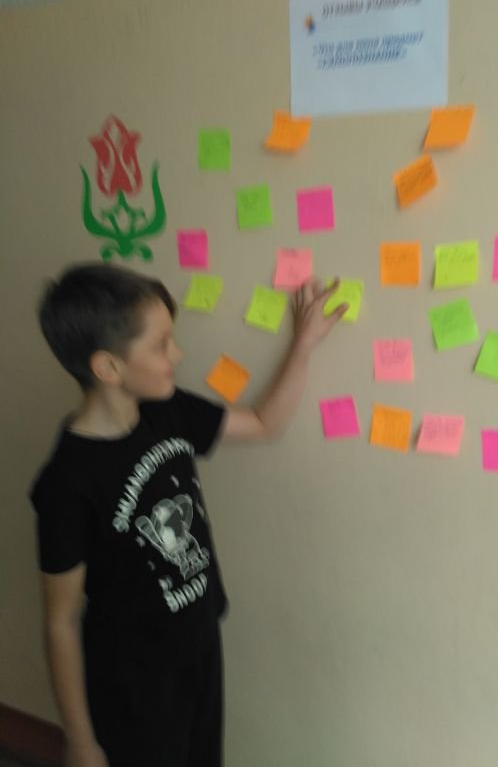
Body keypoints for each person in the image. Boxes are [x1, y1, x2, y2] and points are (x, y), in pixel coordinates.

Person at [29, 262, 347, 767]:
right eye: (162, 345)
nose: (177, 354)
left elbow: (264, 423)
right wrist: (81, 741)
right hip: (132, 682)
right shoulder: (67, 483)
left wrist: (304, 343)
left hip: (198, 645)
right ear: (108, 367)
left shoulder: (167, 410)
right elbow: (61, 620)